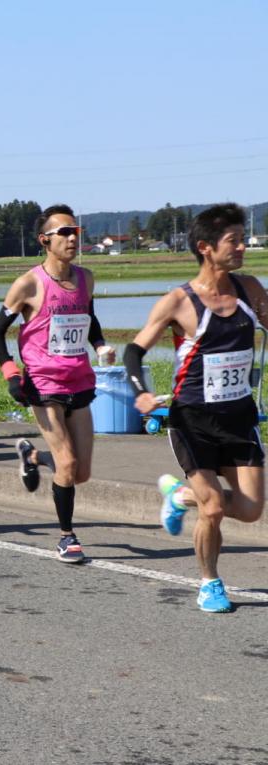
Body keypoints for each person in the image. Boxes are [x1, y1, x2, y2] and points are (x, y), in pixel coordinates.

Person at [125, 203, 266, 613]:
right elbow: (135, 350)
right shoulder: (179, 302)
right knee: (216, 507)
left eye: (243, 239)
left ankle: (179, 495)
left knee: (251, 510)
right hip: (193, 421)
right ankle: (209, 582)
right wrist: (141, 392)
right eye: (233, 241)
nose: (242, 247)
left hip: (239, 418)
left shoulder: (249, 290)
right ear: (206, 247)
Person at [0, 204, 115, 563]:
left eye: (76, 231)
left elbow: (89, 318)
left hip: (79, 379)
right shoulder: (29, 283)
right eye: (64, 232)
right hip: (43, 382)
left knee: (81, 471)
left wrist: (101, 344)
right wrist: (11, 373)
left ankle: (31, 455)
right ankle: (66, 537)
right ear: (45, 240)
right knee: (68, 463)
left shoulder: (86, 278)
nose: (73, 238)